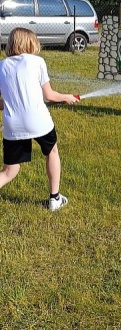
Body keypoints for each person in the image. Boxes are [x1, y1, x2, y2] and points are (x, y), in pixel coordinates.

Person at [0, 28, 79, 210]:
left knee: (10, 171)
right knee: (51, 153)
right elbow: (49, 95)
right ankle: (55, 199)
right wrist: (67, 96)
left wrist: (12, 103)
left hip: (13, 125)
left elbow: (1, 102)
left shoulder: (1, 66)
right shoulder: (38, 62)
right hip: (39, 122)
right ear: (30, 43)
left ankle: (55, 199)